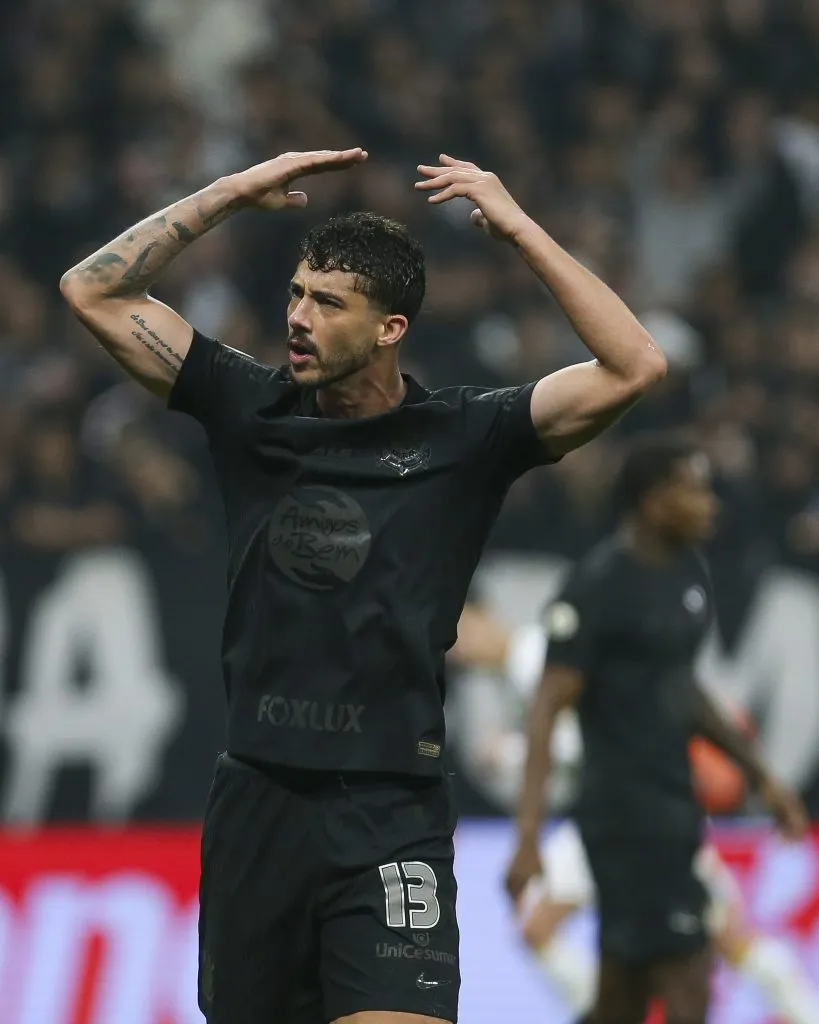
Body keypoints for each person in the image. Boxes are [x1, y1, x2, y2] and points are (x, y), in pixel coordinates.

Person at [60, 147, 666, 1024]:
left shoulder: (466, 436)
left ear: (390, 328)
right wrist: (228, 196)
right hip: (257, 804)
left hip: (391, 812)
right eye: (297, 293)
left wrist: (520, 228)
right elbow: (91, 290)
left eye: (328, 303)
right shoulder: (248, 406)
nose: (298, 318)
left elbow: (633, 367)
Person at [502, 436, 809, 1024]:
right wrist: (528, 836)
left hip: (672, 805)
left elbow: (684, 690)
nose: (708, 504)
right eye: (692, 490)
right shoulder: (597, 586)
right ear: (650, 501)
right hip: (621, 816)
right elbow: (546, 710)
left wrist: (761, 775)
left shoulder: (688, 576)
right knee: (687, 982)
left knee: (626, 993)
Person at [451, 604, 819, 1024]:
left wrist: (511, 756)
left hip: (641, 814)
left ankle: (804, 1012)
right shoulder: (528, 662)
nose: (456, 649)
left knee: (729, 938)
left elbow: (602, 734)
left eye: (460, 631)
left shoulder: (535, 658)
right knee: (538, 930)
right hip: (611, 815)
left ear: (480, 621)